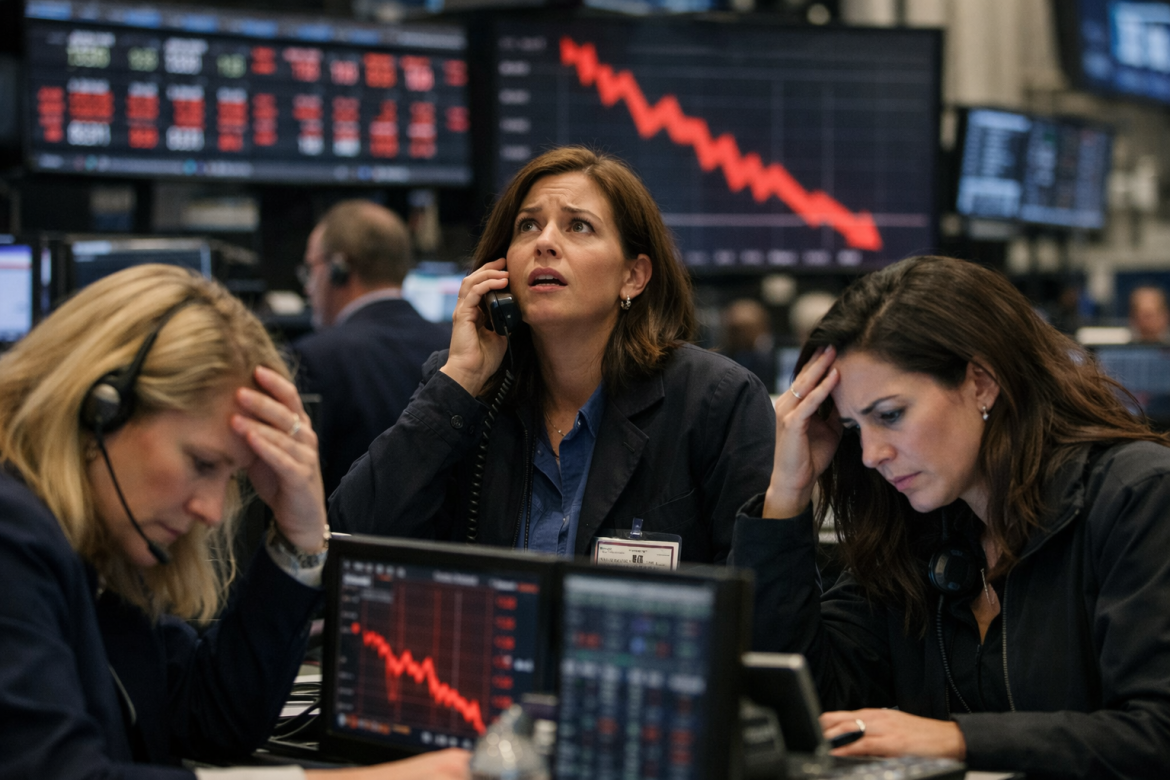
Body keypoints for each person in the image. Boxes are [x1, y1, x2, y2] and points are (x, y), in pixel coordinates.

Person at [0, 265, 469, 779]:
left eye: (229, 476)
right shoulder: (12, 531)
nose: (212, 511)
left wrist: (299, 538)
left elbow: (211, 717)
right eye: (202, 463)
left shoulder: (98, 552)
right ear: (101, 407)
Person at [732, 255, 1170, 777]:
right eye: (853, 428)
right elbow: (803, 705)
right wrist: (786, 495)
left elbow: (1156, 733)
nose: (870, 454)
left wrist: (957, 740)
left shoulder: (1138, 496)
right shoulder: (919, 529)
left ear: (981, 383)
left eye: (890, 415)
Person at [330, 147, 774, 562]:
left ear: (633, 277)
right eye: (527, 226)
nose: (544, 242)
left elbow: (760, 598)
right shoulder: (466, 394)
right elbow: (350, 537)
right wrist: (460, 380)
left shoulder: (715, 401)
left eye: (578, 226)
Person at [294, 199, 449, 496]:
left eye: (311, 268)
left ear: (338, 268)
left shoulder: (315, 357)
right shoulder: (455, 348)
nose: (307, 286)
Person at [720, 298, 777, 392]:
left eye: (746, 329)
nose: (741, 336)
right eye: (735, 330)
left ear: (761, 328)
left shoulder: (773, 360)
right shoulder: (719, 361)